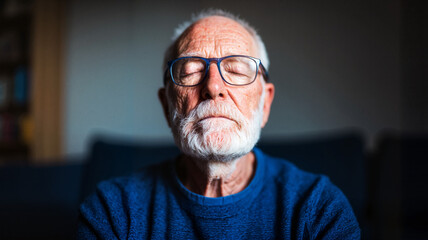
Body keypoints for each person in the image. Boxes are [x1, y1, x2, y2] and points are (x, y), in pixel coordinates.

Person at [77, 9, 360, 239]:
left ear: (266, 103)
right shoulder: (112, 211)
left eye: (236, 70)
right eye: (190, 71)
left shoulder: (319, 210)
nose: (213, 86)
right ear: (167, 106)